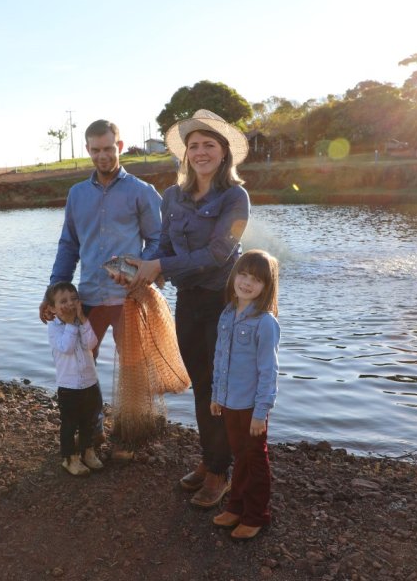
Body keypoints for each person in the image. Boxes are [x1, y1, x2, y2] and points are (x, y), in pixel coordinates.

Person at [128, 109, 250, 508]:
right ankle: (209, 460)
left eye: (209, 145)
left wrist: (160, 266)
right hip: (188, 302)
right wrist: (139, 268)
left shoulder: (236, 197)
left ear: (224, 152)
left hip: (224, 304)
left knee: (219, 387)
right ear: (186, 154)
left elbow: (219, 254)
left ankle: (220, 474)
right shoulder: (171, 197)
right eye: (194, 145)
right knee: (200, 384)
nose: (200, 152)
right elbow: (164, 245)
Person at [40, 119, 162, 444]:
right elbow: (68, 246)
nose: (103, 156)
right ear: (88, 151)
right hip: (89, 298)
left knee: (133, 373)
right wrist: (54, 293)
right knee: (82, 369)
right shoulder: (76, 194)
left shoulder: (142, 192)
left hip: (129, 298)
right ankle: (90, 435)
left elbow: (159, 241)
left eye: (109, 148)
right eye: (96, 150)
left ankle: (129, 438)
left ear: (119, 146)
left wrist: (140, 272)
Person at [210, 249, 280, 540]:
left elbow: (269, 371)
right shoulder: (227, 314)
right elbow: (219, 358)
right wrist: (216, 395)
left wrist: (260, 412)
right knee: (239, 456)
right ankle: (236, 507)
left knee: (255, 460)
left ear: (266, 286)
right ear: (234, 275)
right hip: (229, 402)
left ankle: (256, 515)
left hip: (251, 407)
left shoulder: (265, 323)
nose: (247, 283)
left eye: (256, 279)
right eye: (243, 274)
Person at [44, 281, 105, 476]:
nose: (69, 304)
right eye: (63, 301)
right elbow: (66, 347)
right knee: (70, 424)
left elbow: (91, 343)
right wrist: (71, 324)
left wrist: (82, 319)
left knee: (89, 421)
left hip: (90, 382)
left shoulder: (82, 322)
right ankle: (69, 458)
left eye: (73, 299)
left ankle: (88, 451)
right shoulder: (54, 328)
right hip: (69, 387)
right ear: (52, 308)